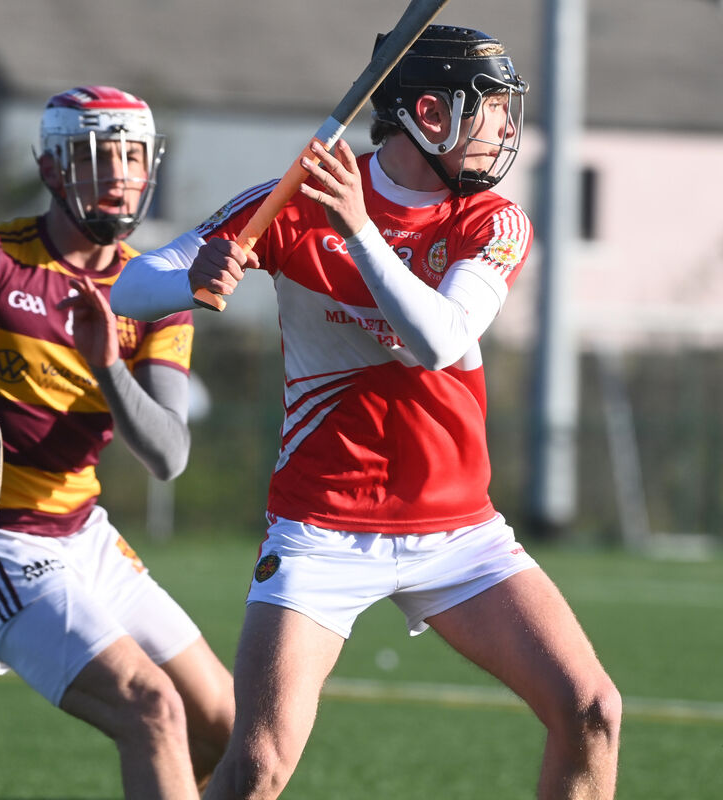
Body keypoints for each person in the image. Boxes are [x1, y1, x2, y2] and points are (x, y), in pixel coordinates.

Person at [111, 26, 621, 800]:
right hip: (322, 530)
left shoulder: (490, 221)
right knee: (255, 769)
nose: (504, 130)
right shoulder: (293, 203)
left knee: (591, 710)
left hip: (458, 534)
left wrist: (359, 230)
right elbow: (133, 284)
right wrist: (193, 276)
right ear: (428, 112)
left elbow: (441, 341)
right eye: (487, 111)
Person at [0, 86, 234, 800]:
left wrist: (106, 365)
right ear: (54, 169)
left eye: (131, 156)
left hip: (86, 536)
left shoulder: (154, 289)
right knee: (150, 708)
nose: (120, 174)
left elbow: (167, 455)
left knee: (221, 719)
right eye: (100, 157)